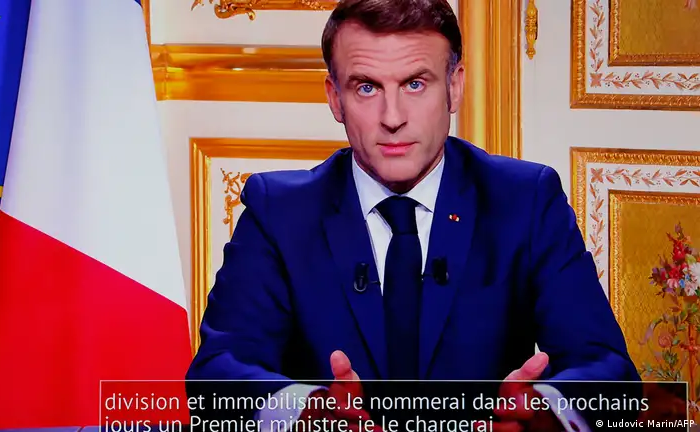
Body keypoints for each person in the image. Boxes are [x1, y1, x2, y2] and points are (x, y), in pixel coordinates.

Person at [186, 0, 640, 430]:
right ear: (335, 98)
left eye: (415, 84)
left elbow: (608, 371)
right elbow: (216, 374)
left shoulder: (525, 200)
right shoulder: (278, 211)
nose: (393, 117)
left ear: (455, 86)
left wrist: (545, 410)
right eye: (366, 87)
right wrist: (303, 410)